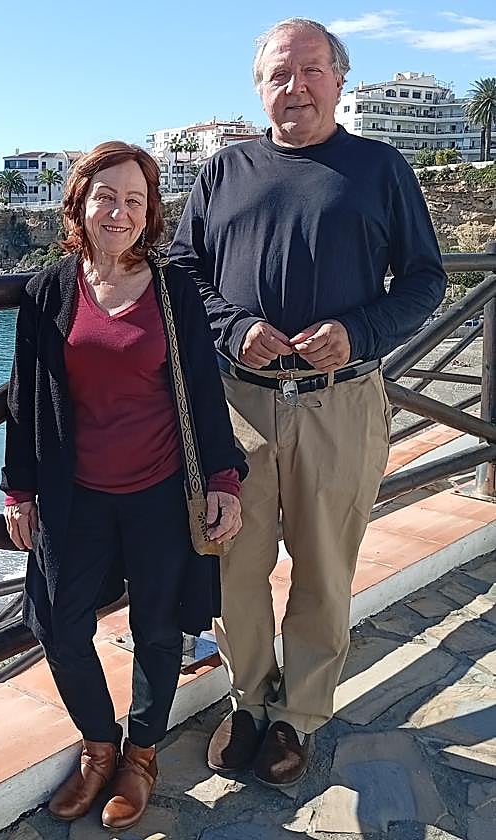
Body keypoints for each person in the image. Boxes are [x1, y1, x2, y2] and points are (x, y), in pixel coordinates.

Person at [170, 18, 447, 788]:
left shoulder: (381, 167)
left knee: (326, 569)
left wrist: (359, 331)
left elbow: (426, 280)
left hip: (341, 403)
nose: (296, 87)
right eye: (279, 75)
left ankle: (301, 715)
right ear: (260, 88)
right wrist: (234, 328)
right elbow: (184, 271)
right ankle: (249, 700)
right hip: (238, 404)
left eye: (312, 71)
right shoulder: (224, 171)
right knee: (234, 566)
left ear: (339, 79)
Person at [1, 141, 247, 830]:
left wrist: (222, 479)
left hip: (161, 492)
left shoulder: (172, 293)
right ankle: (97, 742)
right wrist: (19, 489)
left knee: (159, 629)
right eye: (106, 195)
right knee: (57, 622)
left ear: (150, 213)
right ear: (80, 200)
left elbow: (203, 388)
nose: (119, 210)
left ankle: (141, 754)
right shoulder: (48, 292)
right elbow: (26, 400)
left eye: (135, 199)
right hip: (75, 493)